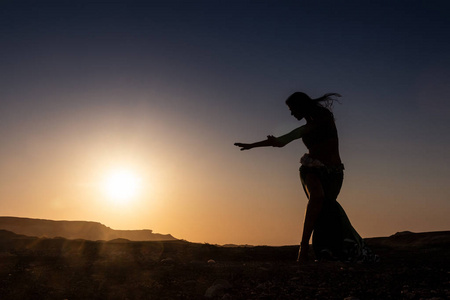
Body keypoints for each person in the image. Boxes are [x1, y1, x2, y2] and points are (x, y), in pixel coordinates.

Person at [235, 92, 377, 263]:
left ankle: (329, 251)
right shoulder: (307, 127)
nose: (291, 113)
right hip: (312, 168)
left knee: (327, 209)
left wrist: (279, 140)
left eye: (292, 109)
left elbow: (289, 137)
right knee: (317, 198)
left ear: (301, 105)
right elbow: (282, 141)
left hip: (335, 173)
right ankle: (303, 248)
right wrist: (252, 145)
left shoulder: (324, 118)